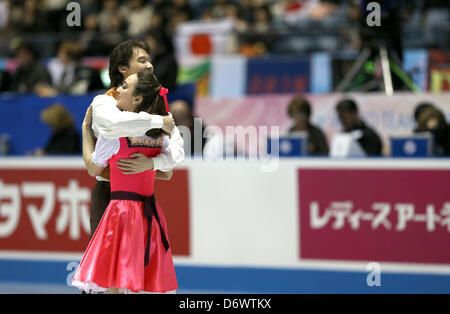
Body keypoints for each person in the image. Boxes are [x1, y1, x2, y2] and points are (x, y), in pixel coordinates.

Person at [73, 71, 177, 294]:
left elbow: (93, 167)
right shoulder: (160, 135)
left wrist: (85, 131)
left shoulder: (113, 135)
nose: (117, 90)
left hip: (121, 212)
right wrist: (147, 167)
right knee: (140, 278)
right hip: (150, 212)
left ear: (138, 99)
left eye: (124, 87)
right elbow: (167, 173)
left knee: (116, 280)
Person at [83, 39, 184, 239]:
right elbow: (113, 125)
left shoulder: (157, 105)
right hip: (110, 193)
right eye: (142, 60)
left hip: (143, 198)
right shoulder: (105, 102)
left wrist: (153, 162)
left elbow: (168, 170)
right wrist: (157, 122)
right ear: (122, 68)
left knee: (141, 264)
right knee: (108, 264)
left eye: (149, 60)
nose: (150, 65)